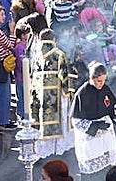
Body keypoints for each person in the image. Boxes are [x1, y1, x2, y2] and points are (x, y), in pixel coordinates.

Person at [31, 29, 77, 158]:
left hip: (41, 96)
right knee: (61, 119)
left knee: (44, 119)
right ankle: (60, 148)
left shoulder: (36, 56)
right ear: (54, 40)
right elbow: (68, 74)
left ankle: (46, 149)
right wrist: (68, 91)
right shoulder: (59, 55)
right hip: (57, 96)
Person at [72, 62, 116, 176]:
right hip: (91, 142)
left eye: (104, 80)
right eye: (99, 81)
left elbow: (112, 105)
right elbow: (76, 121)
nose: (102, 84)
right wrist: (95, 125)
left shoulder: (105, 88)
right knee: (94, 176)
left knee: (107, 172)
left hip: (106, 139)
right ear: (91, 77)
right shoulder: (82, 93)